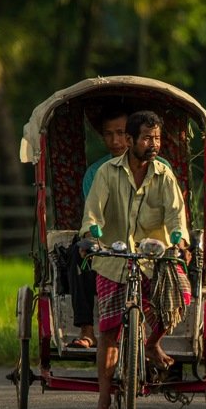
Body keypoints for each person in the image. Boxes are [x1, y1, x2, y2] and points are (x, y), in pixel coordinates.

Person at [80, 110, 190, 409]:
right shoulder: (106, 173)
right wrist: (94, 235)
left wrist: (179, 239)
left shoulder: (163, 174)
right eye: (146, 138)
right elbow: (92, 214)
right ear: (130, 141)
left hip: (155, 260)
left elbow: (175, 216)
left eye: (156, 138)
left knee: (181, 294)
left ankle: (152, 343)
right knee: (109, 332)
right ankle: (103, 404)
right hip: (113, 259)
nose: (153, 144)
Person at [66, 108, 130, 350]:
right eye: (108, 134)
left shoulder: (159, 169)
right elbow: (93, 214)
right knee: (78, 253)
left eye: (122, 133)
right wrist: (92, 238)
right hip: (108, 241)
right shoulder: (97, 172)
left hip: (146, 241)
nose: (115, 141)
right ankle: (87, 329)